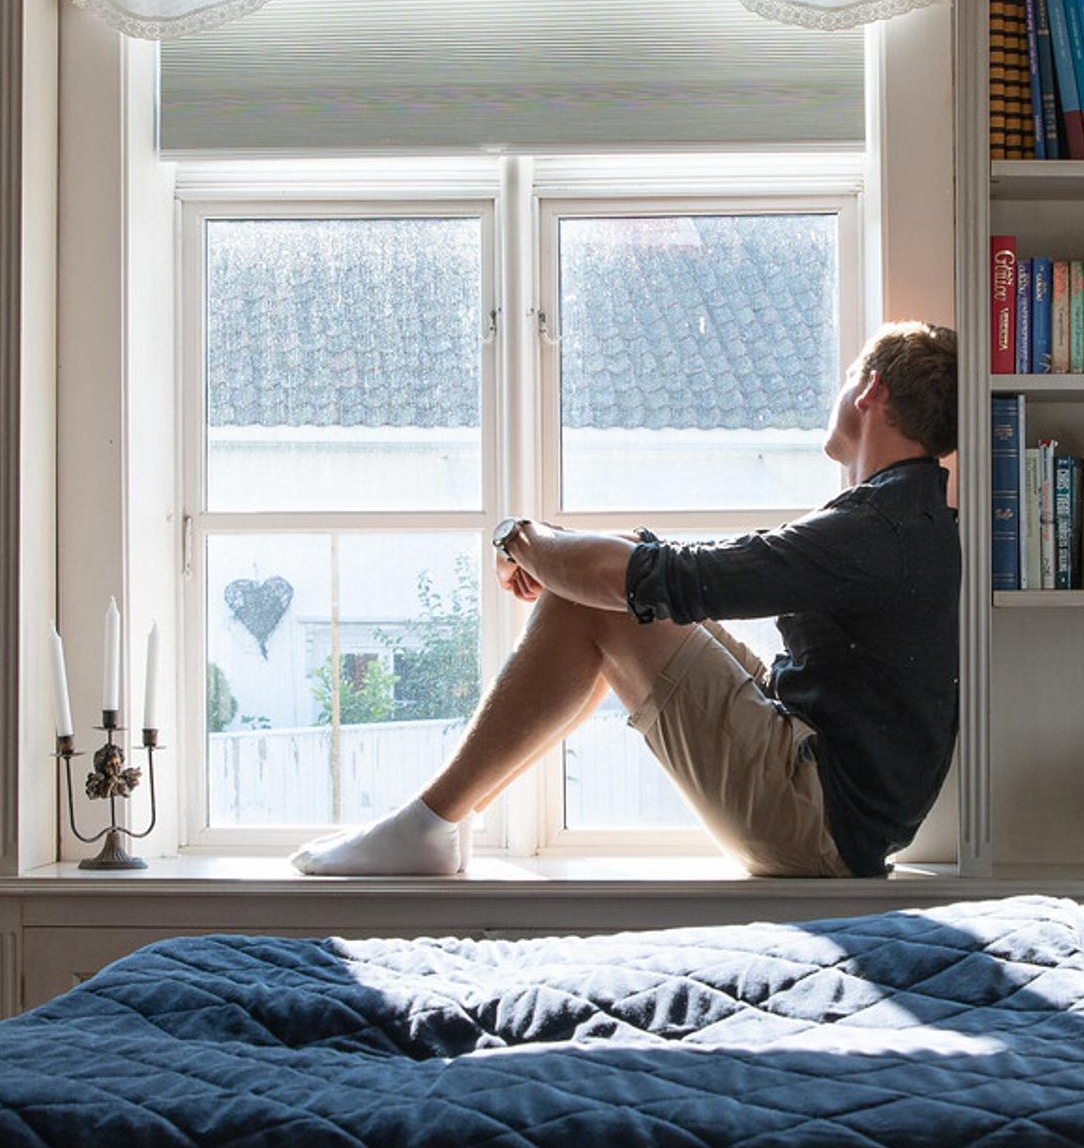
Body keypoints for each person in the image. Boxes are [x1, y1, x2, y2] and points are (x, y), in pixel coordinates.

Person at [292, 322, 959, 880]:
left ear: (870, 390)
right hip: (830, 792)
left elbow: (677, 578)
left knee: (610, 594)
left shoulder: (875, 531)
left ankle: (429, 823)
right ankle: (442, 824)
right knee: (624, 568)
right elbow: (659, 570)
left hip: (816, 817)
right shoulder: (905, 516)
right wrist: (573, 561)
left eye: (847, 377)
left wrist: (521, 538)